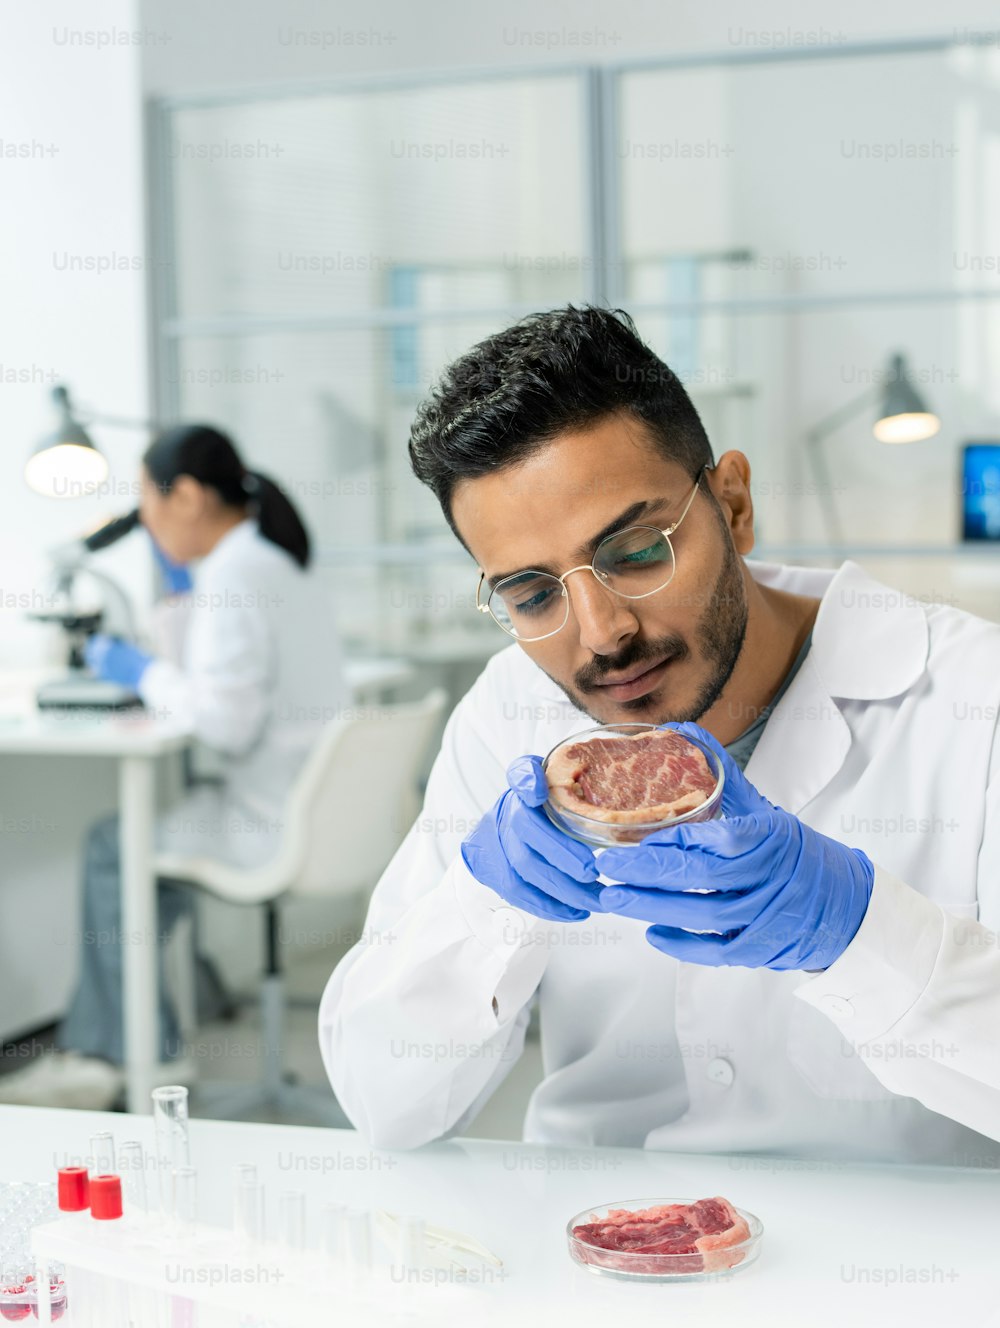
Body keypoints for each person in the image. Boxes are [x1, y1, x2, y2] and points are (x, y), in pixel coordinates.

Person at [319, 306, 1000, 1166]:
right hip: (596, 1257)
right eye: (533, 595)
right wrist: (485, 905)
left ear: (734, 505)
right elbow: (382, 1102)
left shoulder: (974, 700)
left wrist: (857, 931)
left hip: (910, 1271)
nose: (600, 632)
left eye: (637, 551)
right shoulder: (510, 716)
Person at [2, 425, 349, 1108]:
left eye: (147, 503)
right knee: (147, 866)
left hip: (268, 819)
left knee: (113, 846)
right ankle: (125, 1037)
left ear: (185, 496)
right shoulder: (273, 562)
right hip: (315, 807)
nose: (147, 524)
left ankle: (120, 1056)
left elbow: (223, 724)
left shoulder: (235, 574)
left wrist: (144, 671)